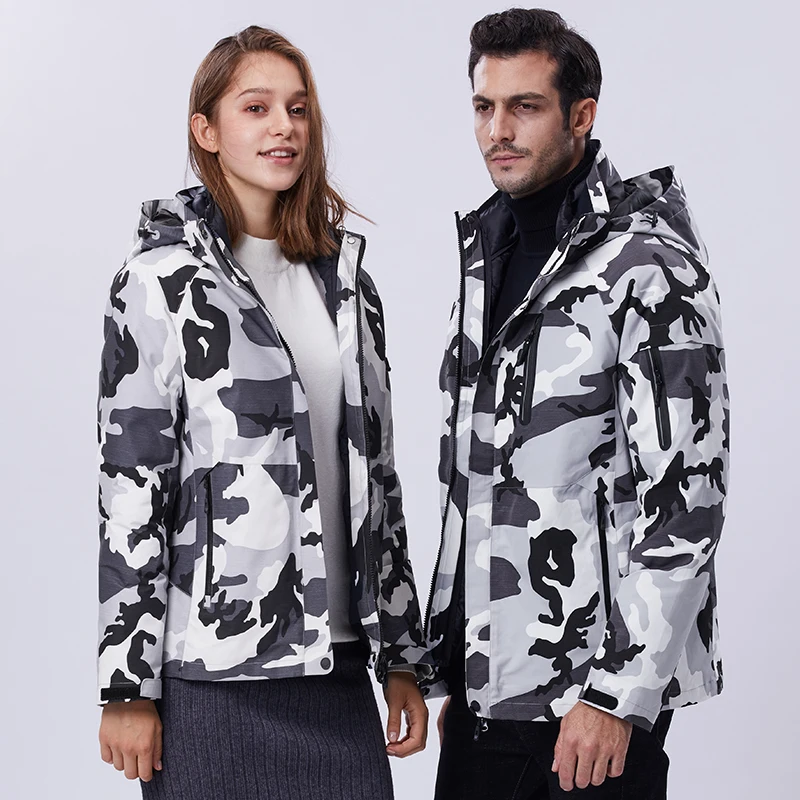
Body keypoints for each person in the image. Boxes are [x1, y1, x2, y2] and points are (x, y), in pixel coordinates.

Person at [95, 25, 429, 800]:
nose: (284, 126)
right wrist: (125, 685)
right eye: (256, 107)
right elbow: (130, 489)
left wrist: (402, 656)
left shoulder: (348, 286)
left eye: (298, 108)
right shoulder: (158, 283)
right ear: (206, 131)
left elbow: (377, 481)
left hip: (339, 670)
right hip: (211, 677)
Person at [424, 8, 729, 799]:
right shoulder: (487, 257)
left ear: (580, 115)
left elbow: (687, 499)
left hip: (590, 705)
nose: (498, 130)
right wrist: (460, 662)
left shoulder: (648, 266)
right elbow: (478, 481)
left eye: (524, 106)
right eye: (484, 107)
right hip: (489, 696)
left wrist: (618, 696)